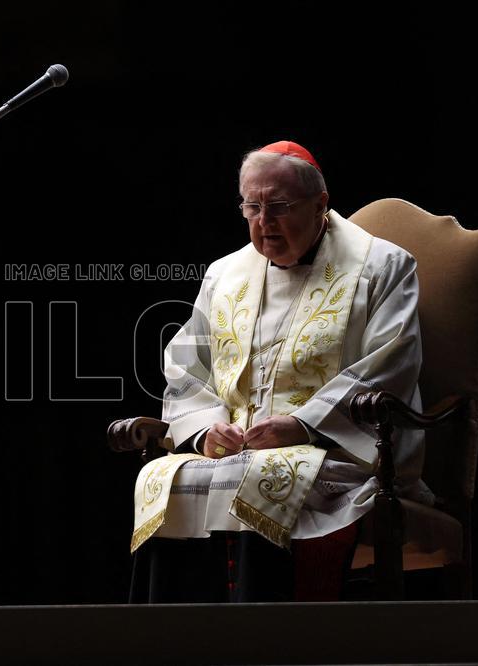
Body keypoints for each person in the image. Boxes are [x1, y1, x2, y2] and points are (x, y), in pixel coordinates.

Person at [129, 141, 433, 603]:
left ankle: (268, 646)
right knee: (164, 482)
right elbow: (187, 367)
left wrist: (303, 425)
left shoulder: (383, 267)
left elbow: (390, 365)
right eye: (251, 206)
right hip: (237, 450)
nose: (263, 223)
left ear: (321, 205)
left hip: (337, 453)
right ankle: (170, 649)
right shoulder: (224, 274)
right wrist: (205, 429)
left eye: (279, 207)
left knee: (264, 481)